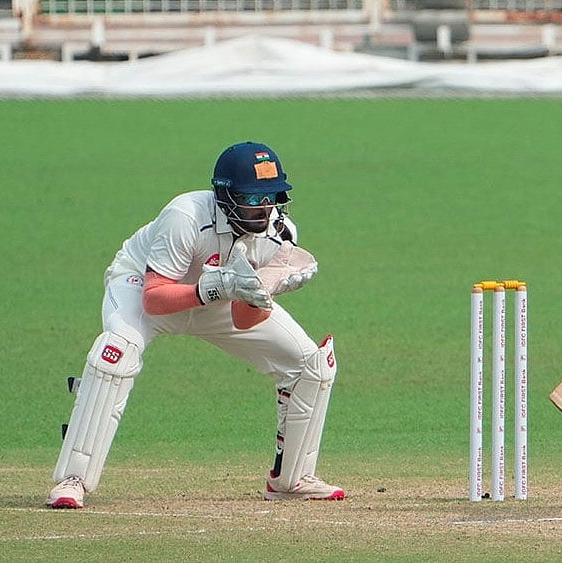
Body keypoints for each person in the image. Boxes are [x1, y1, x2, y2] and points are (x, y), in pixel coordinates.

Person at [47, 141, 345, 509]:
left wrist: (266, 289)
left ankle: (292, 478)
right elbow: (154, 299)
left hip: (220, 298)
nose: (263, 210)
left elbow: (242, 319)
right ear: (225, 195)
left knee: (309, 365)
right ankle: (73, 478)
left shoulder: (279, 235)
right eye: (252, 200)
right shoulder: (185, 215)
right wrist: (211, 288)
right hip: (144, 285)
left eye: (270, 198)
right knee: (116, 354)